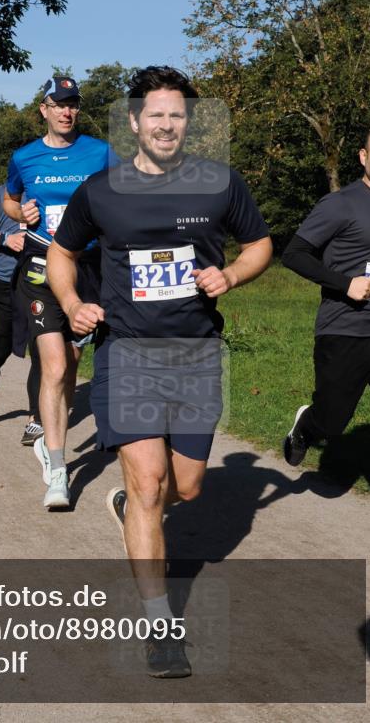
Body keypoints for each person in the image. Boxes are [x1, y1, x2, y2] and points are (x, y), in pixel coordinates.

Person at [47, 65, 272, 677]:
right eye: (156, 114)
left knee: (186, 488)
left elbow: (259, 244)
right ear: (134, 121)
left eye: (177, 114)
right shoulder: (101, 191)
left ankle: (132, 504)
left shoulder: (219, 185)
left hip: (196, 354)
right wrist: (71, 302)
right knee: (150, 485)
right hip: (128, 353)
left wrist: (231, 274)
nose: (166, 124)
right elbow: (61, 252)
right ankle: (158, 624)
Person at [3, 75, 117, 508]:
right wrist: (21, 211)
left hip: (89, 268)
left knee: (70, 364)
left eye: (73, 105)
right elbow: (10, 199)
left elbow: (127, 194)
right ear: (44, 110)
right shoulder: (24, 157)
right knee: (53, 365)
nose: (67, 111)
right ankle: (57, 467)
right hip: (40, 265)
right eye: (59, 104)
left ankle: (50, 438)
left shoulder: (101, 153)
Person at [281, 124, 370, 554]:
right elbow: (293, 254)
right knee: (333, 421)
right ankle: (308, 426)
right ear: (364, 157)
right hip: (345, 331)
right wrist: (345, 284)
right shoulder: (341, 204)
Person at [0, 184, 43, 445]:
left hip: (39, 285)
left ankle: (35, 419)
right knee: (2, 345)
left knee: (41, 350)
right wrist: (6, 239)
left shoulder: (49, 192)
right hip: (2, 285)